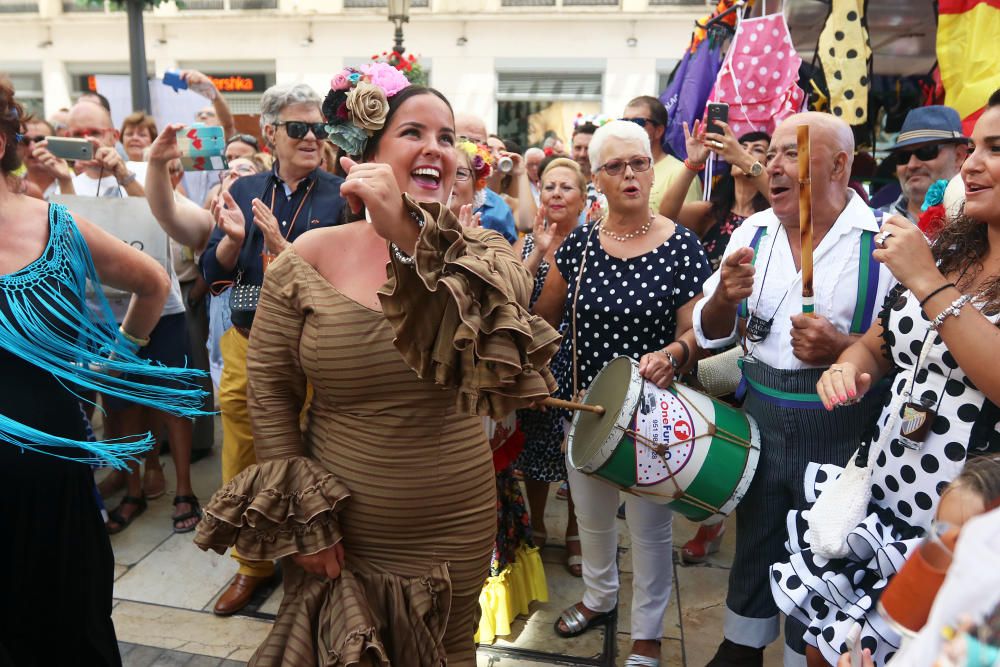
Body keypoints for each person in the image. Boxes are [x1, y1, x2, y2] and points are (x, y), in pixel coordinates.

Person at [194, 66, 559, 665]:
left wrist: (408, 233)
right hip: (345, 527)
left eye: (447, 138)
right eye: (413, 131)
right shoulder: (311, 257)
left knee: (449, 648)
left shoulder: (487, 254)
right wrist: (305, 525)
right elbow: (271, 392)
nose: (435, 148)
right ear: (367, 154)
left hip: (456, 520)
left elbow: (498, 325)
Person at [771, 103, 1000, 667]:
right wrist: (849, 363)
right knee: (823, 650)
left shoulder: (930, 262)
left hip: (955, 522)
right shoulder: (955, 246)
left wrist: (925, 279)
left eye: (997, 149)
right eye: (973, 147)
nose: (971, 165)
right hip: (880, 492)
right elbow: (880, 339)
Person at [0, 83, 207, 667]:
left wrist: (114, 360)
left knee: (66, 630)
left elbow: (153, 282)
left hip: (53, 484)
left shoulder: (56, 226)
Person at [692, 112, 898, 667]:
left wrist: (842, 345)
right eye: (772, 153)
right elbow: (712, 333)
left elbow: (908, 348)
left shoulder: (885, 241)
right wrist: (724, 300)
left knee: (827, 550)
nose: (773, 167)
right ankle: (741, 645)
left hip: (843, 426)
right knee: (755, 537)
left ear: (840, 165)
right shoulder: (753, 232)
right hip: (760, 414)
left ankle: (810, 651)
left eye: (790, 153)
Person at [534, 120, 711, 666]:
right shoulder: (581, 244)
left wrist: (674, 355)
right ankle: (599, 596)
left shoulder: (680, 244)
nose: (630, 174)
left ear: (651, 171)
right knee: (590, 517)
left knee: (651, 527)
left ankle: (648, 631)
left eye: (639, 163)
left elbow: (696, 336)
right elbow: (545, 319)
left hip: (652, 414)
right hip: (585, 406)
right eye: (615, 166)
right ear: (597, 178)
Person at [197, 82, 347, 616]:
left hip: (315, 341)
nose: (311, 138)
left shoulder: (343, 193)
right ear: (270, 132)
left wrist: (291, 260)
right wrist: (235, 242)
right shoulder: (243, 189)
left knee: (311, 448)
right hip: (248, 331)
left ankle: (312, 558)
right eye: (298, 128)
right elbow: (214, 270)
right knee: (241, 446)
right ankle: (252, 565)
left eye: (318, 129)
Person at [447, 138, 548, 643]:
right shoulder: (393, 231)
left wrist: (463, 247)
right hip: (428, 401)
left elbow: (510, 302)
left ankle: (482, 602)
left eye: (464, 172)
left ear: (477, 184)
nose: (454, 178)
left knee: (484, 488)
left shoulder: (492, 237)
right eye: (448, 171)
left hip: (480, 390)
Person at [513, 157, 586, 578]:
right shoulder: (525, 244)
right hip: (536, 360)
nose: (557, 193)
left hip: (581, 359)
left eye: (567, 187)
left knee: (578, 451)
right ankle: (536, 522)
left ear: (582, 198)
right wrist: (538, 253)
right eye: (551, 186)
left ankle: (577, 530)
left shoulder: (597, 242)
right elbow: (511, 303)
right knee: (536, 445)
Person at [662, 121, 771, 271]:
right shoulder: (709, 212)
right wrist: (693, 164)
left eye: (757, 149)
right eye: (742, 147)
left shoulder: (773, 217)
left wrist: (743, 159)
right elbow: (666, 216)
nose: (746, 152)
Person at [878, 105, 969, 223]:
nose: (912, 165)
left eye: (926, 151)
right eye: (903, 156)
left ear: (959, 156)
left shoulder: (979, 222)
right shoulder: (873, 224)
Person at [622, 95, 702, 213]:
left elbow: (688, 226)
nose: (629, 128)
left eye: (638, 122)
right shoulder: (616, 169)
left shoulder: (681, 173)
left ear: (659, 131)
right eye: (624, 122)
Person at [455, 113, 518, 243]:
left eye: (478, 143)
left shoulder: (498, 209)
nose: (472, 148)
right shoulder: (427, 193)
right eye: (463, 140)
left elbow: (509, 259)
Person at [65, 99, 145, 198]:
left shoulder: (146, 171)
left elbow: (156, 213)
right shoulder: (65, 186)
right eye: (77, 134)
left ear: (114, 136)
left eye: (95, 133)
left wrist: (126, 178)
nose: (87, 140)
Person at [19, 118, 75, 200]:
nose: (32, 148)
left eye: (40, 140)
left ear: (55, 144)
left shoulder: (77, 182)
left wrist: (65, 182)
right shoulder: (10, 186)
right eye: (25, 141)